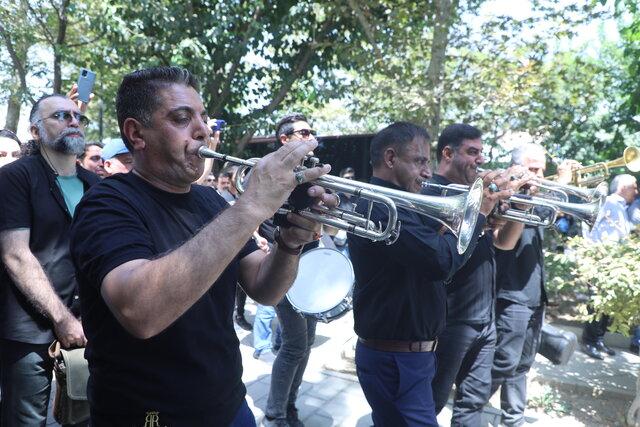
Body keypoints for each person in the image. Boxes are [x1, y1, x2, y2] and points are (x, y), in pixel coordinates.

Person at [69, 66, 335, 426]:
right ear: (136, 134)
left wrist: (290, 243)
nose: (203, 130)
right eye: (182, 119)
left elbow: (265, 288)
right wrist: (251, 205)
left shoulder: (210, 202)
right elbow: (140, 312)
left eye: (203, 118)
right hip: (148, 415)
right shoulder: (106, 203)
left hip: (229, 404)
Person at [347, 121, 507, 426]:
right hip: (398, 361)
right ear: (391, 159)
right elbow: (441, 260)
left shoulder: (400, 204)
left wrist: (480, 224)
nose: (426, 172)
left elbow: (435, 245)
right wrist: (480, 214)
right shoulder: (382, 207)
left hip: (408, 358)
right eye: (419, 161)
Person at [0, 94, 99, 426]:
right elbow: (15, 254)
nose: (73, 120)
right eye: (60, 115)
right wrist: (62, 319)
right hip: (29, 332)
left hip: (89, 329)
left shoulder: (96, 185)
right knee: (25, 421)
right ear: (35, 131)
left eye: (77, 116)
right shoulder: (14, 177)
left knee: (85, 416)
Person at [427, 123, 529, 426]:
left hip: (485, 320)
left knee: (473, 402)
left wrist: (520, 208)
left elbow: (504, 243)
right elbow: (435, 245)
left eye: (481, 152)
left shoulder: (476, 192)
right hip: (450, 319)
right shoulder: (433, 190)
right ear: (448, 153)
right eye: (473, 152)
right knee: (431, 400)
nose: (481, 160)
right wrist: (480, 207)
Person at [489, 142, 563, 427]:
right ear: (514, 168)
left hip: (533, 292)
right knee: (504, 361)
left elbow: (553, 220)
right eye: (533, 168)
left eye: (542, 169)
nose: (540, 175)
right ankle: (470, 405)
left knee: (522, 363)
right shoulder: (502, 196)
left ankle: (513, 419)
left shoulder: (539, 198)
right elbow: (511, 232)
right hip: (511, 293)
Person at [263, 113, 323, 427]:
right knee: (294, 344)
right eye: (303, 132)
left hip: (311, 267)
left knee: (307, 343)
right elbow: (259, 219)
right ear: (284, 139)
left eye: (312, 131)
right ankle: (275, 414)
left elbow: (326, 224)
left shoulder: (314, 172)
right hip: (283, 265)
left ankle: (290, 406)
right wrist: (278, 237)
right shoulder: (269, 171)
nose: (311, 135)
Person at [582, 174, 638, 359]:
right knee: (595, 305)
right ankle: (589, 342)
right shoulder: (609, 203)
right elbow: (589, 226)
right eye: (634, 187)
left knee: (606, 306)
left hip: (612, 265)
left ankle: (599, 340)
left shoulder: (621, 207)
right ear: (623, 187)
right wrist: (591, 255)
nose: (637, 192)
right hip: (599, 262)